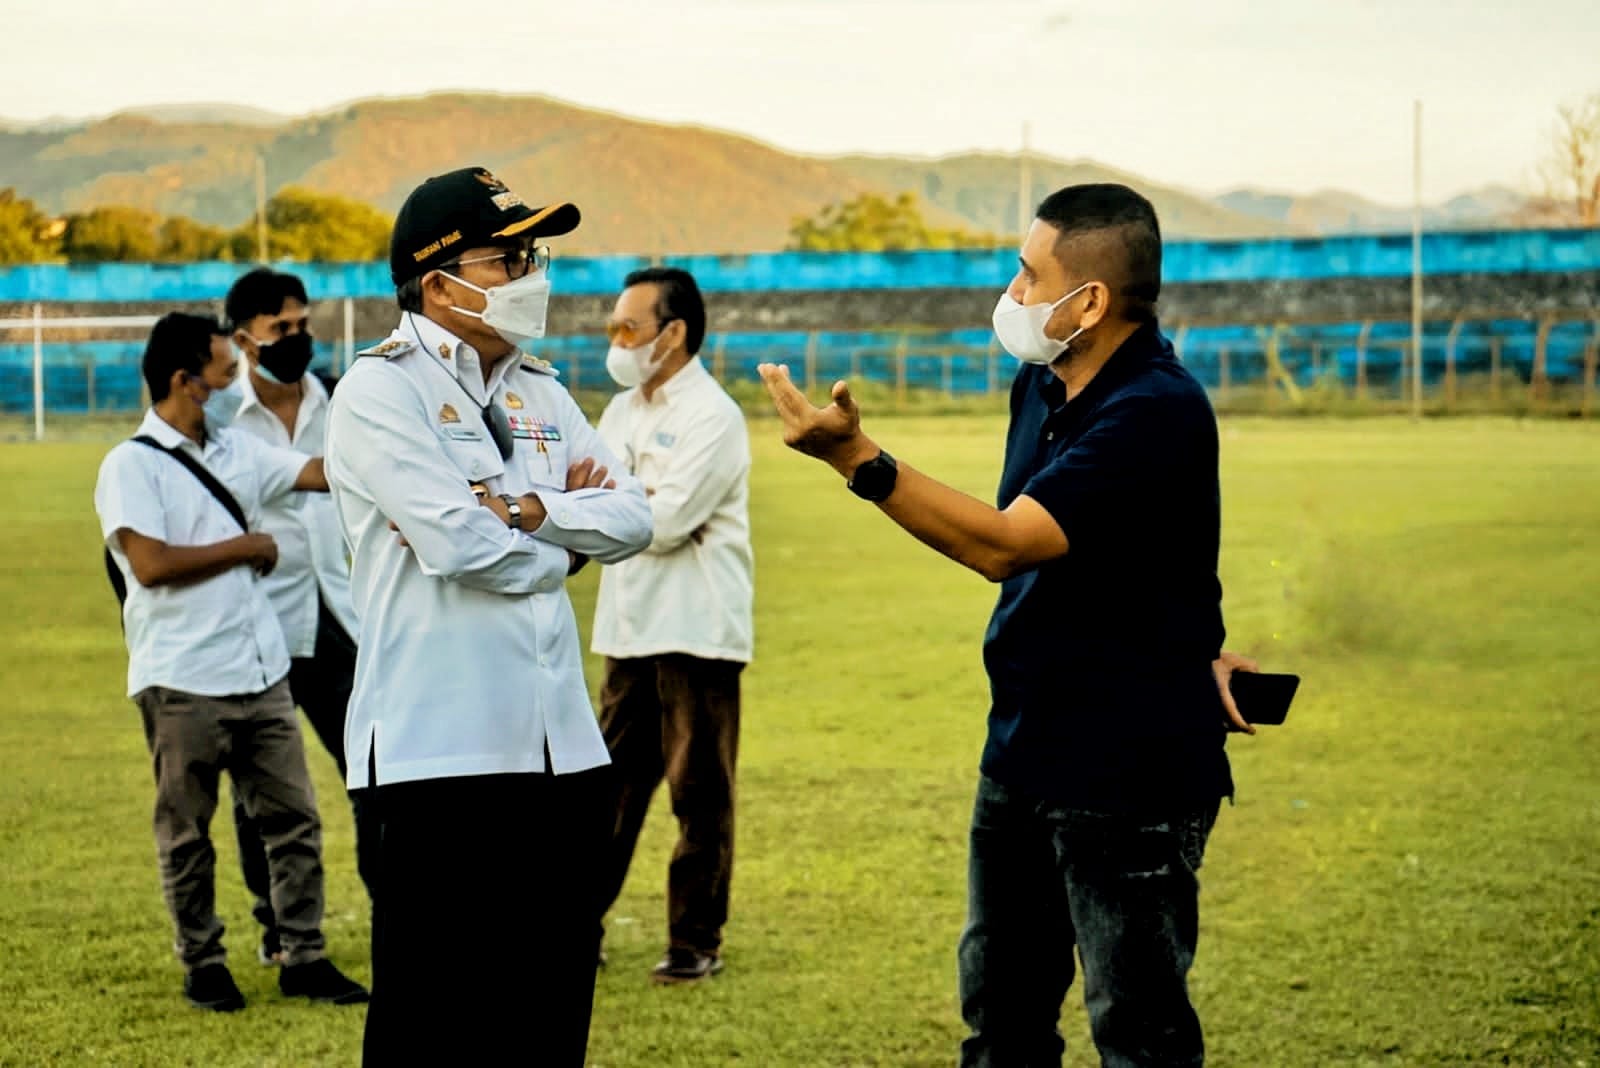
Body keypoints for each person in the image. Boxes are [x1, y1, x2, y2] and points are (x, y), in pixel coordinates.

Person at [758, 183, 1263, 1067]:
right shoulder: (1040, 383)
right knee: (1002, 1020)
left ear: (1092, 300)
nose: (1014, 293)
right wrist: (1196, 640)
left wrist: (855, 458)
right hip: (1023, 749)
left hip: (1125, 775)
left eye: (1030, 275)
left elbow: (1003, 546)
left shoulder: (1155, 409)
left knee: (1138, 1034)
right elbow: (1135, 551)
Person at [324, 166, 653, 1066]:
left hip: (563, 754)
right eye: (507, 258)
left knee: (547, 1023)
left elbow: (638, 515)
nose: (532, 274)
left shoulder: (539, 387)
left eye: (533, 253)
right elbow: (459, 547)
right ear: (438, 282)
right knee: (433, 1029)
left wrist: (529, 511)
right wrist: (569, 538)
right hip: (441, 759)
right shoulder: (378, 393)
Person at [94, 312, 370, 1013]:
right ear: (185, 381)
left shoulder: (236, 451)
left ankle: (303, 957)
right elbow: (149, 564)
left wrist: (400, 460)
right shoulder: (130, 465)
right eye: (222, 371)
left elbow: (315, 473)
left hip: (261, 671)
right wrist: (246, 548)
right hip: (181, 679)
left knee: (295, 823)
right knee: (188, 834)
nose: (233, 380)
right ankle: (203, 963)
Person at [591, 267, 754, 984]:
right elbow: (588, 497)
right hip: (628, 629)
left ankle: (694, 943)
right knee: (605, 795)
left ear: (674, 333)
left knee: (699, 793)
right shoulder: (620, 411)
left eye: (629, 328)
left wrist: (621, 505)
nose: (618, 342)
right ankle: (575, 927)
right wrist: (629, 505)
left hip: (695, 630)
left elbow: (666, 522)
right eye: (613, 329)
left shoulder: (712, 415)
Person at [224, 267, 375, 966]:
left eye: (302, 324)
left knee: (375, 770)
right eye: (280, 329)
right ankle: (276, 928)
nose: (296, 338)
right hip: (260, 624)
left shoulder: (344, 399)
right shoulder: (220, 417)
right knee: (262, 793)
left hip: (343, 618)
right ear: (245, 340)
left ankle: (395, 908)